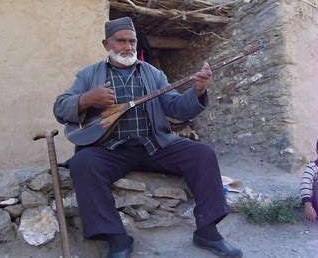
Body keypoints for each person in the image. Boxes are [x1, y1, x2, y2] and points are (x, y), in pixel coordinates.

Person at [53, 17, 243, 258]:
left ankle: (208, 230)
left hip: (154, 145)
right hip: (110, 150)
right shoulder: (89, 75)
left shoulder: (153, 74)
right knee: (83, 163)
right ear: (106, 44)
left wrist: (198, 90)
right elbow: (60, 107)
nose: (128, 47)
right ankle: (117, 239)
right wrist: (86, 99)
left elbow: (175, 106)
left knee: (202, 153)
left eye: (131, 41)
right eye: (121, 41)